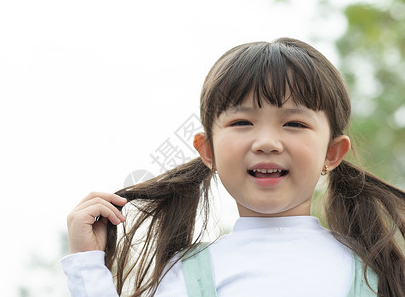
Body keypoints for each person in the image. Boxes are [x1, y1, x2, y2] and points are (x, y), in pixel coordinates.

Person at [61, 38, 405, 297]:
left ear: (332, 152)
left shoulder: (381, 275)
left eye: (294, 124)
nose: (267, 142)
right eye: (242, 121)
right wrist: (87, 266)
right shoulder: (184, 275)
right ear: (207, 150)